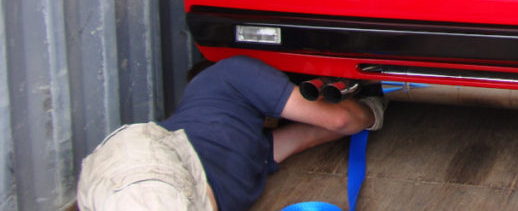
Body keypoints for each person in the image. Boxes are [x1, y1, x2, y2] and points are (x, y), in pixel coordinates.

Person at [76, 55, 386, 211]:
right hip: (150, 169)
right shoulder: (234, 71)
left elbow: (314, 132)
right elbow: (339, 120)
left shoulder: (247, 146)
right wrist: (374, 106)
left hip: (151, 179)